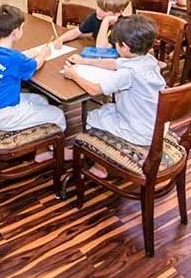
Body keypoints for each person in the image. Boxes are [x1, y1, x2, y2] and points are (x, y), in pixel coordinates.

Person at [63, 15, 165, 178]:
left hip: (138, 130)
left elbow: (94, 90)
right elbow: (114, 63)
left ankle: (99, 164)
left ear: (123, 47)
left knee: (92, 116)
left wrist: (73, 74)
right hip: (153, 122)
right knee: (106, 109)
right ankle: (96, 159)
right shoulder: (147, 59)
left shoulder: (128, 73)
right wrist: (85, 61)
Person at [0, 5, 66, 163]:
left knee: (41, 100)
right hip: (6, 115)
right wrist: (44, 53)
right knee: (58, 115)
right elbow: (36, 64)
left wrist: (34, 52)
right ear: (15, 32)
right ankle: (58, 151)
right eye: (22, 28)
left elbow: (17, 59)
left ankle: (41, 148)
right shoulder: (14, 59)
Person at [56, 0, 130, 49]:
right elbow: (76, 32)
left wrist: (105, 22)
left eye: (104, 10)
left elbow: (101, 48)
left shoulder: (122, 28)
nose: (98, 11)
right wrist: (60, 39)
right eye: (98, 7)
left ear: (118, 13)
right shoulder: (96, 17)